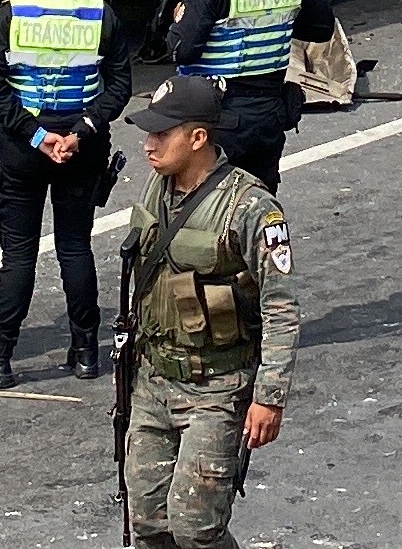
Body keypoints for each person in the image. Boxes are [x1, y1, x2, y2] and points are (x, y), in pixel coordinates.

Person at [117, 73, 296, 549]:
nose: (149, 146)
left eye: (161, 133)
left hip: (217, 388)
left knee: (196, 527)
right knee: (148, 522)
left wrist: (269, 396)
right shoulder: (157, 188)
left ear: (198, 138)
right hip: (153, 382)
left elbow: (279, 306)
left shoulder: (250, 207)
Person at [0, 0, 133, 387]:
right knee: (75, 247)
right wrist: (79, 133)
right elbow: (118, 86)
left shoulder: (13, 11)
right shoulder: (101, 13)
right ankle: (86, 353)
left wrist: (38, 137)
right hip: (82, 150)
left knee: (19, 255)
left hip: (22, 151)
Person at [160, 0, 336, 190]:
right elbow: (321, 29)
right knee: (259, 202)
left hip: (220, 117)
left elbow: (181, 51)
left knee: (209, 210)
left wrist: (178, 19)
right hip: (270, 112)